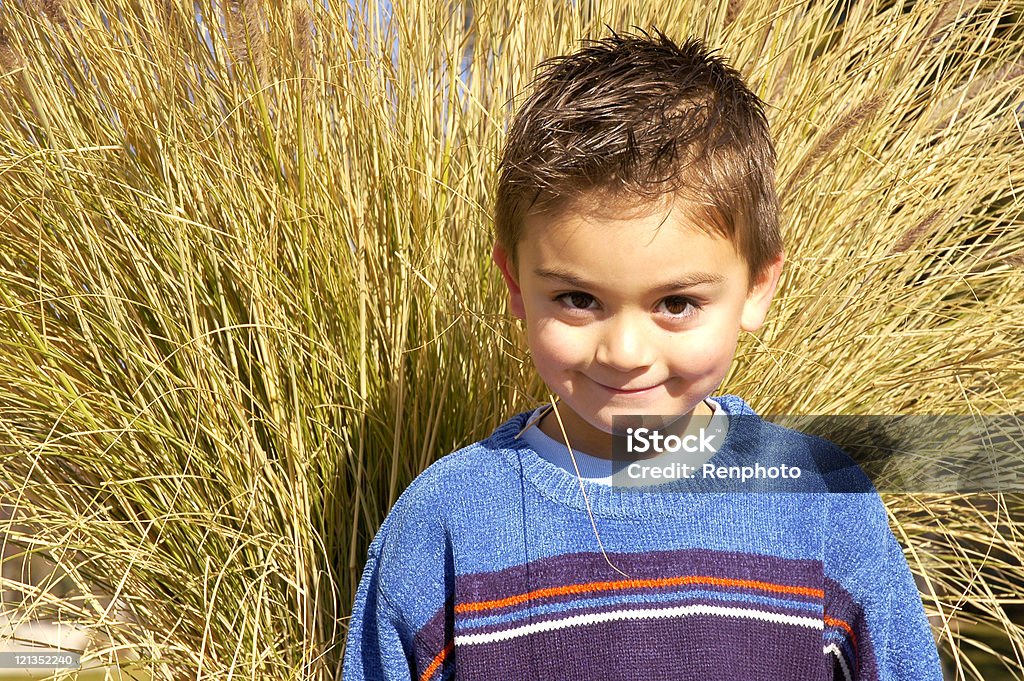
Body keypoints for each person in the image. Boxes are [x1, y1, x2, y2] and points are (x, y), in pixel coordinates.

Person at [342, 29, 943, 680]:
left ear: (756, 289)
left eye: (676, 303)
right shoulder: (445, 523)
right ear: (516, 285)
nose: (625, 352)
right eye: (577, 298)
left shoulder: (823, 504)